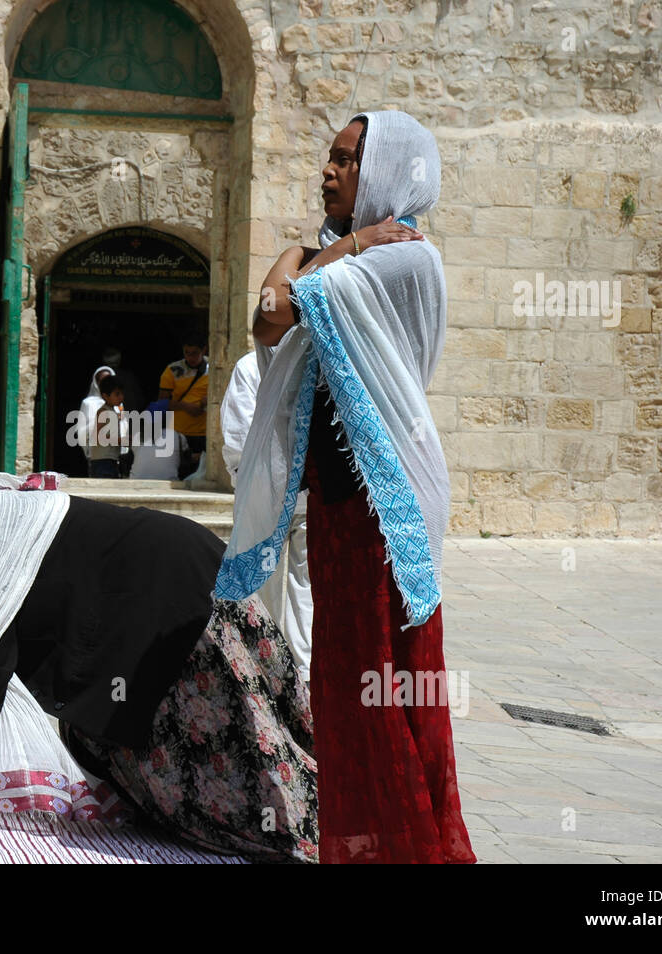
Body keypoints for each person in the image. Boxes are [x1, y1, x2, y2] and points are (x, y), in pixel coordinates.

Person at [216, 111, 475, 864]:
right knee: (343, 688)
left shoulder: (404, 258)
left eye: (346, 161)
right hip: (336, 508)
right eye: (328, 158)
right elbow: (263, 320)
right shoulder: (350, 254)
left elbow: (281, 307)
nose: (327, 172)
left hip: (382, 508)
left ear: (390, 173)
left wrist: (336, 251)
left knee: (386, 692)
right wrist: (331, 244)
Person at [0, 465, 318, 862]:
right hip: (187, 570)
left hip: (177, 605)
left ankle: (311, 831)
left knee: (237, 749)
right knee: (104, 730)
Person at [222, 348, 312, 683]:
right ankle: (299, 666)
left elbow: (238, 431)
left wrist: (244, 480)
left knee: (272, 582)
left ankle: (271, 662)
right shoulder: (313, 361)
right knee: (299, 584)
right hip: (298, 491)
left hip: (271, 490)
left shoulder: (249, 366)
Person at [158, 336, 209, 480]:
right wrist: (186, 407)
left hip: (203, 432)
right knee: (178, 472)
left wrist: (210, 401)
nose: (190, 357)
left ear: (204, 350)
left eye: (195, 353)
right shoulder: (173, 370)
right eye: (187, 352)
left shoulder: (215, 368)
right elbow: (162, 401)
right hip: (177, 432)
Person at [87, 374, 126, 478]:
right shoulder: (103, 412)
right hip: (102, 462)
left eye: (122, 393)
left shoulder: (112, 411)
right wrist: (120, 440)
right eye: (117, 394)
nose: (121, 397)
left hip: (110, 460)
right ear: (105, 396)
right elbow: (99, 437)